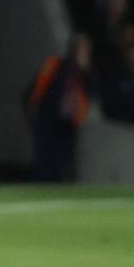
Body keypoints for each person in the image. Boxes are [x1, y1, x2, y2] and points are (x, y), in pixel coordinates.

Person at [26, 34, 94, 182]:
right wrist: (33, 111)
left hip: (67, 123)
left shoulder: (85, 72)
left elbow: (88, 94)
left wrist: (84, 71)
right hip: (47, 118)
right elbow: (37, 89)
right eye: (81, 48)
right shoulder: (56, 64)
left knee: (61, 160)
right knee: (44, 158)